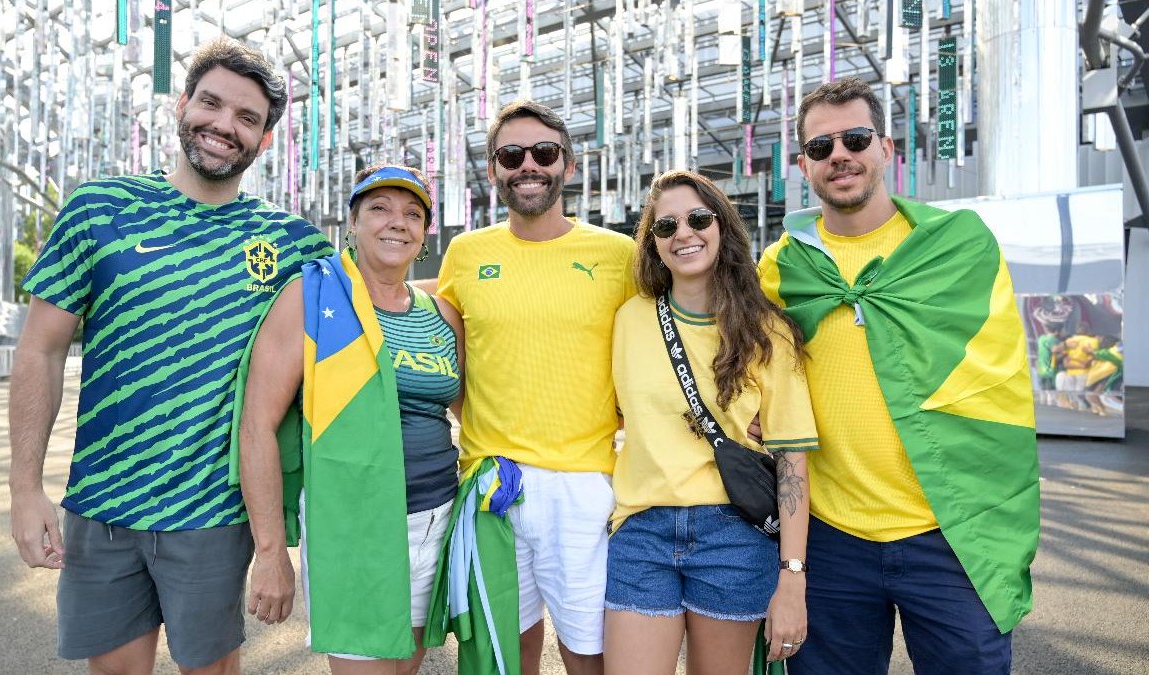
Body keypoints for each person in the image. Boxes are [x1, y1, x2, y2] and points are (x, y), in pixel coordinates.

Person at [8, 37, 334, 674]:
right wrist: (25, 488)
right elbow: (41, 351)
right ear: (182, 105)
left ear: (265, 139)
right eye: (210, 104)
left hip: (211, 513)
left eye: (246, 118)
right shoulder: (100, 210)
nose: (223, 126)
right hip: (102, 505)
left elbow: (374, 304)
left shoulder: (291, 242)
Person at [757, 77, 1040, 674]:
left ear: (886, 148)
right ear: (803, 165)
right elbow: (752, 372)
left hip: (950, 531)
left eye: (855, 138)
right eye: (820, 147)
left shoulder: (954, 247)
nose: (839, 155)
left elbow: (999, 374)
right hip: (830, 539)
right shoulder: (783, 267)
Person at [236, 164, 463, 675]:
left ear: (425, 234)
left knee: (406, 664)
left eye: (411, 213)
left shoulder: (441, 313)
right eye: (378, 209)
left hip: (438, 518)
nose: (395, 222)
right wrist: (270, 551)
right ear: (353, 224)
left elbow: (470, 410)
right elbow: (256, 426)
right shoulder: (311, 298)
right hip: (354, 523)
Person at [435, 99, 636, 675]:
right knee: (507, 649)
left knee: (587, 650)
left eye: (544, 153)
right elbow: (453, 364)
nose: (529, 165)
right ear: (494, 169)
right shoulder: (467, 253)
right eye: (511, 155)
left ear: (567, 166)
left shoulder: (616, 254)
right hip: (492, 481)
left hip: (582, 485)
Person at [604, 169, 816, 674]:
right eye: (666, 226)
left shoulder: (769, 333)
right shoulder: (629, 318)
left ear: (722, 226)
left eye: (698, 218)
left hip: (734, 535)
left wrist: (793, 577)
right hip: (641, 529)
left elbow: (792, 463)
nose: (683, 233)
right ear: (652, 243)